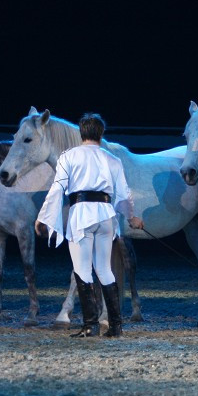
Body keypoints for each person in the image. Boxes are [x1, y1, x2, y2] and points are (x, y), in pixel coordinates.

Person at [35, 113, 143, 337]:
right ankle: (115, 326)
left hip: (82, 215)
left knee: (83, 270)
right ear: (101, 133)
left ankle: (90, 325)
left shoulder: (69, 157)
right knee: (104, 269)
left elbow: (57, 189)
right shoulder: (112, 159)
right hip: (105, 216)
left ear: (81, 133)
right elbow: (124, 194)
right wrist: (132, 217)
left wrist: (43, 216)